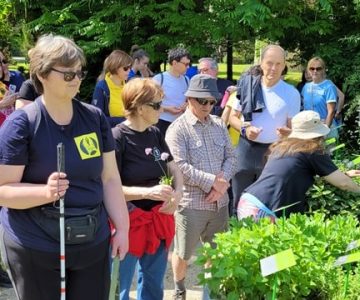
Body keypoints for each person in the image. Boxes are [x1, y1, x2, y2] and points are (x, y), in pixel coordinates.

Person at [0, 34, 129, 300]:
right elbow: (3, 190)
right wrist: (44, 193)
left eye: (79, 73)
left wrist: (123, 229)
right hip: (36, 243)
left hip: (92, 240)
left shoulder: (94, 119)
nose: (77, 80)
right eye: (68, 75)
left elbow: (110, 179)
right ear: (43, 74)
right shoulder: (21, 125)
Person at [165, 74, 236, 300]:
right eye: (202, 101)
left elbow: (232, 157)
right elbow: (180, 167)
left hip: (219, 203)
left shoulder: (218, 125)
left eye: (212, 102)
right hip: (191, 204)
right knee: (184, 253)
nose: (208, 106)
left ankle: (210, 293)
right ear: (190, 100)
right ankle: (179, 288)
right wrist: (213, 182)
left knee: (215, 253)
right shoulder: (178, 129)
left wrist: (221, 184)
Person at [112, 78, 183, 300]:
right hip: (129, 220)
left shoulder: (155, 133)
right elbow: (109, 186)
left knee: (153, 283)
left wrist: (178, 192)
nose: (162, 109)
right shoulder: (117, 137)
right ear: (141, 108)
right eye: (157, 104)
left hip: (158, 218)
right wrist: (147, 192)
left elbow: (173, 166)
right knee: (120, 284)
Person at [237, 110, 360, 220]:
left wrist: (343, 174)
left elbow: (291, 173)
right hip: (265, 209)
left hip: (249, 201)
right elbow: (343, 183)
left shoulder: (283, 146)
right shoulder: (312, 150)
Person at [229, 45, 301, 216]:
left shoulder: (291, 93)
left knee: (266, 204)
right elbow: (233, 118)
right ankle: (236, 238)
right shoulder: (247, 86)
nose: (273, 68)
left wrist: (287, 132)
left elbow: (293, 127)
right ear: (261, 63)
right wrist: (245, 129)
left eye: (278, 64)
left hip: (273, 152)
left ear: (284, 66)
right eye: (269, 63)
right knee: (238, 200)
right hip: (245, 150)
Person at [301, 58, 343, 138]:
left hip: (326, 127)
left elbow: (331, 112)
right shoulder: (306, 87)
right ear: (308, 70)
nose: (315, 71)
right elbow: (304, 108)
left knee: (327, 150)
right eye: (312, 68)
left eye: (318, 68)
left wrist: (325, 132)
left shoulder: (329, 86)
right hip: (310, 128)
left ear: (323, 70)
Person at [153, 47, 191, 135]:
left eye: (189, 64)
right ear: (174, 63)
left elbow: (188, 100)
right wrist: (167, 109)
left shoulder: (186, 80)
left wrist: (187, 105)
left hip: (181, 123)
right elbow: (148, 103)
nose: (188, 67)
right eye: (185, 64)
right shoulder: (159, 79)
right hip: (162, 123)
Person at [92, 50, 132, 127]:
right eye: (126, 68)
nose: (129, 70)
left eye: (130, 67)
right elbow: (96, 117)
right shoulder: (102, 88)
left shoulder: (128, 86)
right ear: (115, 67)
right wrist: (123, 120)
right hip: (111, 135)